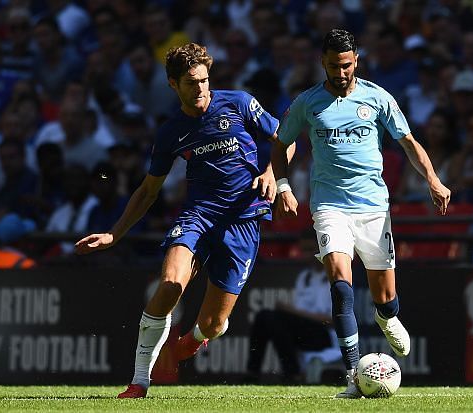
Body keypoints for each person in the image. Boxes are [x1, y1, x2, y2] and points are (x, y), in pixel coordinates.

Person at [75, 43, 290, 399]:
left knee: (214, 323)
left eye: (205, 80)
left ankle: (196, 338)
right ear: (173, 84)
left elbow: (285, 138)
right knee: (172, 283)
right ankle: (139, 381)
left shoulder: (237, 102)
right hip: (199, 215)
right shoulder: (170, 132)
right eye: (192, 83)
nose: (201, 89)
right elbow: (147, 191)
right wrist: (115, 235)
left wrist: (273, 174)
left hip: (243, 220)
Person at [270, 29, 451, 398]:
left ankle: (387, 317)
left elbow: (409, 142)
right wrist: (285, 185)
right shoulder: (307, 102)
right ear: (323, 62)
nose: (341, 73)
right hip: (329, 204)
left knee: (384, 296)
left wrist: (433, 179)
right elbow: (280, 143)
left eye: (347, 65)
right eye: (334, 66)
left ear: (357, 61)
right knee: (340, 280)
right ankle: (353, 373)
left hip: (373, 207)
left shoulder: (377, 97)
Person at [246, 230, 339, 383]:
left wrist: (292, 311)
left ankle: (291, 374)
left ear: (321, 249)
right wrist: (292, 313)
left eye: (310, 250)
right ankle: (254, 373)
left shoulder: (336, 277)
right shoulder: (304, 277)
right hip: (305, 331)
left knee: (272, 319)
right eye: (304, 250)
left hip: (326, 336)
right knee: (267, 318)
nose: (306, 255)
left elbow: (333, 320)